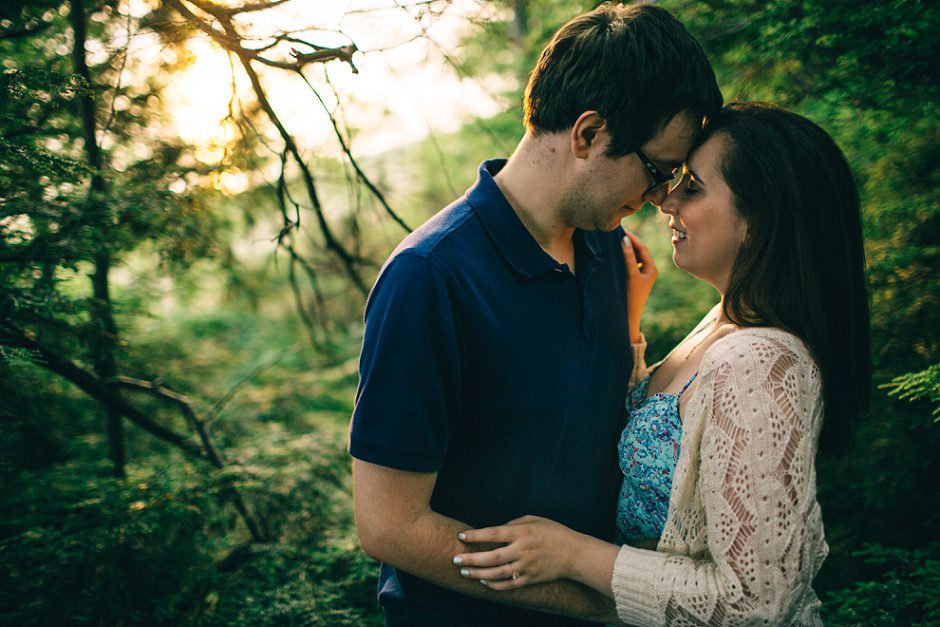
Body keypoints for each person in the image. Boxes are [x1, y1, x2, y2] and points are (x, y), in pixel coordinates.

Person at [348, 3, 721, 625]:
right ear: (588, 134)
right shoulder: (430, 278)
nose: (661, 197)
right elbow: (391, 527)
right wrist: (600, 605)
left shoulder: (604, 245)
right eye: (656, 170)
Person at [451, 102, 872, 626]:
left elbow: (756, 604)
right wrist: (629, 320)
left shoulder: (761, 361)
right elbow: (670, 427)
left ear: (757, 222)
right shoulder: (724, 320)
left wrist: (573, 554)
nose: (665, 200)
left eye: (692, 187)